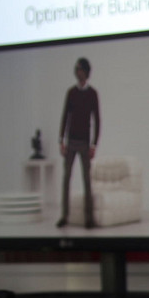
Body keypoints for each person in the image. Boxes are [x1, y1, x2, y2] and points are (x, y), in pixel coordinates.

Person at [57, 56, 100, 229]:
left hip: (84, 142)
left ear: (86, 72)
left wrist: (94, 144)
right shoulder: (71, 93)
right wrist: (61, 140)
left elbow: (97, 120)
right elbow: (65, 117)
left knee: (87, 180)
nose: (78, 72)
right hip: (71, 141)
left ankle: (89, 218)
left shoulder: (92, 94)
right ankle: (64, 215)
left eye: (81, 69)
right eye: (77, 69)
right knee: (66, 178)